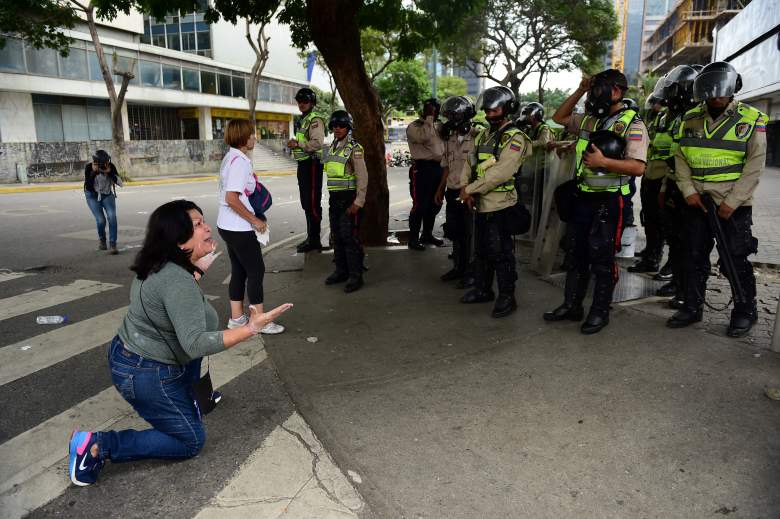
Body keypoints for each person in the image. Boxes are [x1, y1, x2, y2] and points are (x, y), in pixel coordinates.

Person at [68, 199, 293, 486]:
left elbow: (175, 303)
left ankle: (191, 400)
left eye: (203, 221)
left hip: (135, 357)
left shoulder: (162, 265)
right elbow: (197, 343)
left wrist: (195, 268)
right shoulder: (176, 280)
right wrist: (250, 328)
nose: (208, 228)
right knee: (190, 441)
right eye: (197, 225)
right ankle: (98, 445)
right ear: (178, 240)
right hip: (145, 372)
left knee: (192, 356)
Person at [543, 69, 649, 334]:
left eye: (597, 89)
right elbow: (559, 118)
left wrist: (604, 162)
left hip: (610, 201)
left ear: (615, 91)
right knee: (575, 253)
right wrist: (580, 89)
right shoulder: (589, 120)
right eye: (592, 89)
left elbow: (638, 168)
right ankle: (571, 305)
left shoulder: (632, 124)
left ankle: (599, 311)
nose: (593, 94)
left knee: (601, 258)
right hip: (583, 197)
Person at [666, 61, 767, 337]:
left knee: (735, 259)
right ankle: (691, 306)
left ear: (733, 88)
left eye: (722, 90)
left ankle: (745, 311)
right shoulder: (690, 117)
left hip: (732, 207)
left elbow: (755, 166)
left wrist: (732, 202)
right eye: (711, 91)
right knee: (693, 255)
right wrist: (688, 191)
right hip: (697, 202)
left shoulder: (751, 119)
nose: (716, 96)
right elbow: (680, 156)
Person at [459, 86, 531, 318]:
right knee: (481, 251)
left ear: (508, 109)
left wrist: (469, 189)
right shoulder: (483, 135)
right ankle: (482, 290)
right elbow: (468, 163)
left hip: (501, 206)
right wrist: (464, 188)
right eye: (487, 110)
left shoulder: (515, 137)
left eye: (495, 109)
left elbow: (500, 172)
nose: (490, 114)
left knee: (501, 254)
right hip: (480, 205)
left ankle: (507, 297)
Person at [217, 119, 285, 335]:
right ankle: (260, 321)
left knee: (239, 270)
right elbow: (231, 198)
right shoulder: (240, 162)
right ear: (243, 138)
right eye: (252, 134)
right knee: (256, 270)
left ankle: (237, 319)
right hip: (238, 227)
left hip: (226, 225)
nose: (255, 138)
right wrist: (254, 220)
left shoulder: (230, 158)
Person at [651, 65, 701, 308]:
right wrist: (664, 187)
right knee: (675, 237)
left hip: (691, 189)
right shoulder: (682, 115)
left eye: (674, 90)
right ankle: (679, 284)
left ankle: (687, 292)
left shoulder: (694, 116)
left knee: (690, 244)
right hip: (672, 182)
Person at [322, 110, 369, 293]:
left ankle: (356, 276)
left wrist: (358, 202)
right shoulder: (331, 147)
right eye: (334, 125)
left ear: (348, 126)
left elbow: (362, 177)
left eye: (341, 125)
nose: (337, 128)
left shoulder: (354, 148)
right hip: (335, 200)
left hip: (350, 200)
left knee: (350, 239)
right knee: (337, 238)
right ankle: (341, 271)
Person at [435, 96, 477, 285]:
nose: (450, 120)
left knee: (471, 234)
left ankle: (471, 272)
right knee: (455, 232)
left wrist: (472, 190)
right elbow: (446, 166)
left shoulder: (478, 136)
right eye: (448, 116)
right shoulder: (450, 138)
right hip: (452, 191)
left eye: (453, 115)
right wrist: (439, 189)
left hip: (469, 193)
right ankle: (458, 268)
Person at [629, 88, 668, 274]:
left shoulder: (672, 120)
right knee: (649, 218)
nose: (654, 106)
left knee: (659, 221)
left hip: (662, 178)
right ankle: (650, 253)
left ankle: (654, 257)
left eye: (657, 103)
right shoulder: (656, 121)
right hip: (650, 174)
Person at [287, 87, 327, 253]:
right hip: (304, 165)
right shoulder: (304, 120)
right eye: (299, 101)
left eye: (305, 101)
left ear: (312, 102)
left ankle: (315, 240)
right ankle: (311, 237)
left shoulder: (314, 120)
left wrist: (298, 144)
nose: (301, 104)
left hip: (312, 164)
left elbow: (317, 143)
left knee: (312, 203)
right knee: (307, 203)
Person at [406, 98, 446, 250]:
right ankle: (413, 239)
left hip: (440, 168)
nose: (433, 112)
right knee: (420, 206)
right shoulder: (414, 126)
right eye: (430, 109)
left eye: (435, 109)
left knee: (435, 204)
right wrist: (429, 118)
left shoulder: (440, 125)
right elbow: (424, 137)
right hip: (422, 169)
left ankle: (427, 235)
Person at [84, 150, 122, 254]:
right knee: (101, 220)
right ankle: (102, 241)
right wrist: (94, 172)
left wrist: (109, 172)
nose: (106, 164)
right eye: (103, 162)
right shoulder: (89, 167)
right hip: (92, 196)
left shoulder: (111, 166)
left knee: (112, 217)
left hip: (107, 194)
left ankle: (113, 244)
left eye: (107, 161)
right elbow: (89, 186)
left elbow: (120, 182)